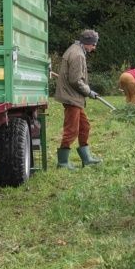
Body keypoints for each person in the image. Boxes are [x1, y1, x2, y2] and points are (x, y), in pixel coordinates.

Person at [53, 29, 103, 169]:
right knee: (71, 130)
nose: (94, 47)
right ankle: (62, 163)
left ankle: (86, 159)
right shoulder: (77, 54)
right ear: (87, 43)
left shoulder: (75, 50)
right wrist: (89, 92)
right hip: (71, 97)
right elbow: (76, 80)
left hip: (74, 97)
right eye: (93, 44)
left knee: (84, 126)